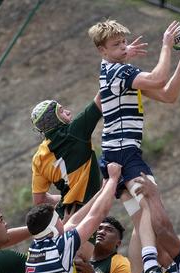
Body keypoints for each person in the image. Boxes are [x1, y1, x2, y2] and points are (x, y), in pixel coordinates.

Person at [88, 19, 180, 273]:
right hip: (124, 153)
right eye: (116, 45)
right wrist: (167, 46)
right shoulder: (119, 72)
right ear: (102, 50)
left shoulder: (117, 70)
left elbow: (168, 94)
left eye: (124, 42)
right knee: (151, 199)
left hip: (117, 153)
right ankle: (150, 266)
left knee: (141, 222)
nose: (123, 47)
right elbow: (157, 76)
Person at [30, 40, 146, 220]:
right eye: (61, 110)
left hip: (63, 217)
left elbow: (39, 200)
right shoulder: (74, 132)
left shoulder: (38, 157)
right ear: (55, 119)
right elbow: (104, 94)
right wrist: (118, 60)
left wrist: (64, 200)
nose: (67, 111)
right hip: (87, 212)